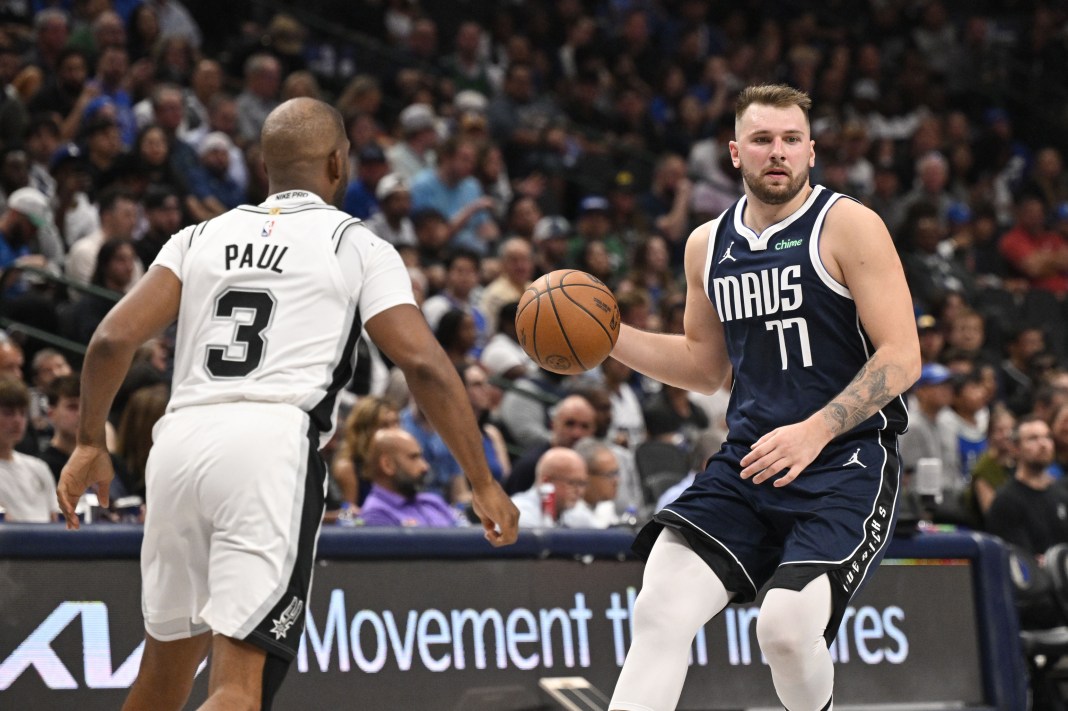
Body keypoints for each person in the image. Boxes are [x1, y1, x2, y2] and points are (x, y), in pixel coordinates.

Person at [56, 97, 518, 711]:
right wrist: (482, 479)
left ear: (264, 165)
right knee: (238, 690)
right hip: (269, 447)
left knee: (163, 677)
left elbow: (112, 339)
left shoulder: (198, 236)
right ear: (337, 163)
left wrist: (90, 441)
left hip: (179, 444)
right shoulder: (356, 244)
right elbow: (426, 365)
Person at [607, 85, 920, 711]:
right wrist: (608, 338)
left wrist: (815, 430)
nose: (777, 152)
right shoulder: (706, 244)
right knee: (659, 608)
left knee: (785, 631)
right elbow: (704, 368)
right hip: (750, 459)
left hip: (846, 460)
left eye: (791, 139)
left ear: (811, 151)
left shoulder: (849, 225)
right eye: (761, 140)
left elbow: (902, 356)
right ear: (735, 153)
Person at [985, 416, 1068, 559]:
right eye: (1033, 439)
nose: (1043, 444)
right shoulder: (1006, 501)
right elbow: (1019, 559)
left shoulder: (1062, 494)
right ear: (1015, 448)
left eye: (1047, 437)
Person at [357, 427, 459, 527]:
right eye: (413, 457)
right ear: (388, 465)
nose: (425, 467)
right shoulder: (376, 514)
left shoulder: (433, 502)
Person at [0, 376, 58, 522]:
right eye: (8, 413)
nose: (17, 420)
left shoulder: (39, 467)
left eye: (22, 413)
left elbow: (55, 520)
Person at [510, 446, 588, 528]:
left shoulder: (576, 510)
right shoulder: (519, 513)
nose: (579, 491)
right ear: (546, 482)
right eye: (571, 483)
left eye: (582, 483)